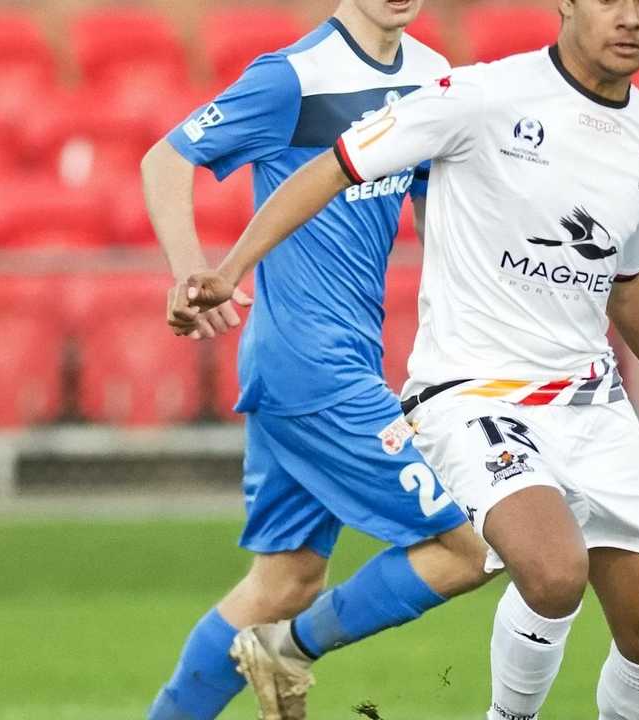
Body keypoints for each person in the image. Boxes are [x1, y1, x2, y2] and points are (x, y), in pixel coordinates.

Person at [168, 1, 639, 718]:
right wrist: (231, 267)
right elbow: (335, 167)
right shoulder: (479, 95)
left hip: (590, 404)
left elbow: (627, 278)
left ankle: (289, 647)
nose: (630, 18)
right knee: (551, 571)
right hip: (472, 394)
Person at [142, 2, 496, 718]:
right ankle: (288, 652)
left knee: (286, 580)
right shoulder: (292, 77)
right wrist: (190, 274)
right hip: (311, 366)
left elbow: (439, 213)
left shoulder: (435, 78)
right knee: (470, 548)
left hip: (334, 362)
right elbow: (167, 158)